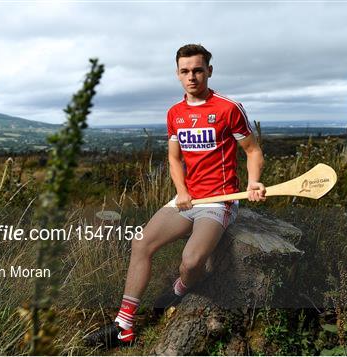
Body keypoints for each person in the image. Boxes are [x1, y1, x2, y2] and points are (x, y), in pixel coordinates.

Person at [85, 44, 266, 348]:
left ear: (209, 70)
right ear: (177, 73)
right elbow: (174, 159)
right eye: (185, 71)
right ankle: (124, 325)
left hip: (218, 201)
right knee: (141, 242)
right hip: (186, 199)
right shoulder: (175, 113)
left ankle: (179, 290)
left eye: (197, 70)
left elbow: (252, 150)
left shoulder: (228, 108)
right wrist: (181, 191)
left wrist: (254, 182)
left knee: (192, 261)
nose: (192, 76)